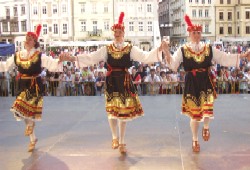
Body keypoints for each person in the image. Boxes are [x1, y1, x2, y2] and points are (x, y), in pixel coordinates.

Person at [60, 12, 163, 154]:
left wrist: (159, 50)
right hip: (112, 80)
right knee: (112, 110)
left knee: (123, 112)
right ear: (113, 33)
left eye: (119, 32)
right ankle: (115, 137)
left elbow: (145, 57)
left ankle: (122, 141)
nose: (117, 34)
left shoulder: (130, 48)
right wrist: (72, 58)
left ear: (124, 33)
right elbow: (91, 58)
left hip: (125, 80)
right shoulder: (107, 49)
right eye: (115, 32)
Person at [162, 15, 250, 153]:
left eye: (198, 33)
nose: (196, 35)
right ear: (189, 34)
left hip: (205, 80)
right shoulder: (183, 49)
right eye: (194, 33)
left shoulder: (209, 48)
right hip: (192, 82)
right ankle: (195, 139)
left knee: (208, 108)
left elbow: (224, 58)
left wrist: (242, 56)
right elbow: (173, 65)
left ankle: (206, 127)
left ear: (201, 34)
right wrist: (166, 51)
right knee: (194, 115)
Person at [0, 24, 63, 152]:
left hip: (34, 85)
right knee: (22, 111)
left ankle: (31, 132)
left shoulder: (39, 56)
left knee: (22, 108)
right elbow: (6, 66)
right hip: (22, 84)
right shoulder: (18, 55)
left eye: (30, 39)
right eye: (26, 38)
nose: (27, 40)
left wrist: (59, 60)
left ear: (34, 42)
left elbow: (52, 64)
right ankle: (33, 138)